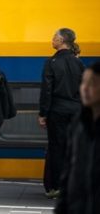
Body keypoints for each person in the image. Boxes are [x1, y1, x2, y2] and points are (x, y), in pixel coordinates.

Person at [39, 28, 84, 199]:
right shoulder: (78, 63)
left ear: (62, 40)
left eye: (54, 37)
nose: (52, 40)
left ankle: (57, 187)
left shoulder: (51, 63)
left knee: (56, 148)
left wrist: (43, 114)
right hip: (76, 111)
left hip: (57, 111)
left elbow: (46, 91)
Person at [56, 61, 100, 214]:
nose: (85, 89)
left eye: (93, 83)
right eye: (83, 83)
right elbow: (69, 171)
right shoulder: (78, 125)